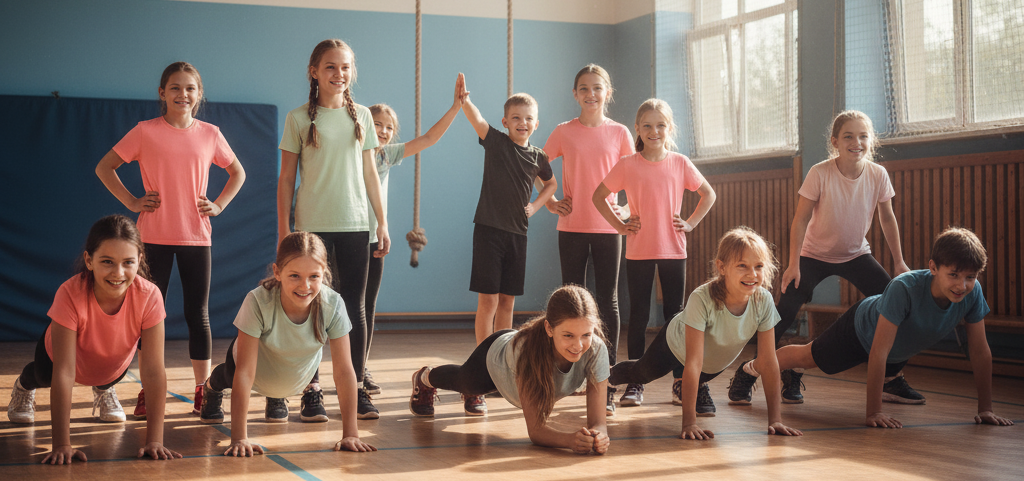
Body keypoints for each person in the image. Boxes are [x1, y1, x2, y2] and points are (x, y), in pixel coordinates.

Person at [738, 227, 1014, 428]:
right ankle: (750, 368)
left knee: (808, 361)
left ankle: (792, 371)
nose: (961, 285)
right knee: (808, 357)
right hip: (861, 331)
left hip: (898, 347)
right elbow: (878, 351)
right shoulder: (904, 289)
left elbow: (980, 351)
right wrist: (873, 412)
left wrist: (986, 409)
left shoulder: (973, 293)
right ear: (933, 267)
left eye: (970, 277)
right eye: (953, 275)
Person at [728, 110, 912, 406]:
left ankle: (891, 378)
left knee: (897, 305)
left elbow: (887, 219)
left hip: (856, 254)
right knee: (783, 312)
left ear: (871, 140)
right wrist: (793, 264)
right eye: (849, 136)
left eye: (863, 136)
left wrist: (899, 262)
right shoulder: (820, 172)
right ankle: (748, 373)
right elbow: (800, 220)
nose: (857, 142)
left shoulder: (878, 174)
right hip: (812, 256)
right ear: (835, 141)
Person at [96, 61, 247, 417]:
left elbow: (237, 172)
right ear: (162, 93)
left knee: (198, 314)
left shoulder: (210, 133)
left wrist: (220, 204)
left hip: (196, 236)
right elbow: (105, 167)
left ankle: (203, 391)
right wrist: (133, 201)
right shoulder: (145, 131)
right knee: (150, 317)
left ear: (199, 95)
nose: (183, 94)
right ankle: (150, 390)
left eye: (190, 88)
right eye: (175, 88)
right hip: (153, 238)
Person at [7, 215, 182, 464]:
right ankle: (24, 386)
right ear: (89, 260)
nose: (118, 273)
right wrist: (62, 444)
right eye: (107, 262)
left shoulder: (150, 295)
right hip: (58, 361)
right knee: (44, 375)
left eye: (128, 262)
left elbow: (153, 371)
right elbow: (65, 372)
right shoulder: (70, 293)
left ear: (140, 260)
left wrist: (155, 440)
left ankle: (103, 387)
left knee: (111, 374)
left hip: (111, 362)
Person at [278, 39, 389, 419]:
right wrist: (284, 228)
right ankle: (312, 391)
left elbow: (371, 174)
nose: (338, 74)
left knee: (354, 308)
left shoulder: (361, 117)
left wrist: (382, 223)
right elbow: (286, 180)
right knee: (313, 307)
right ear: (314, 71)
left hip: (357, 225)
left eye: (345, 67)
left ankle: (356, 390)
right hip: (312, 229)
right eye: (330, 67)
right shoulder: (298, 119)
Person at [609, 227, 802, 440]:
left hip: (711, 364)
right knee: (641, 374)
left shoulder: (763, 301)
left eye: (758, 266)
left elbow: (768, 361)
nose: (752, 274)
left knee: (700, 375)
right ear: (722, 267)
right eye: (742, 266)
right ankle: (606, 377)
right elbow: (692, 362)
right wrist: (689, 423)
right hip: (674, 345)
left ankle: (693, 387)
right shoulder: (702, 299)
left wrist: (775, 420)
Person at [198, 232, 377, 456]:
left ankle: (275, 396)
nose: (305, 285)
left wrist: (351, 433)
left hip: (294, 375)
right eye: (294, 275)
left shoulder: (333, 304)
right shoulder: (258, 301)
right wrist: (239, 438)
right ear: (277, 272)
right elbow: (244, 372)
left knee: (280, 381)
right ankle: (211, 387)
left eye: (314, 276)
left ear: (324, 274)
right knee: (229, 376)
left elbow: (343, 371)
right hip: (251, 369)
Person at [593, 99, 715, 409]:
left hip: (674, 249)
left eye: (660, 125)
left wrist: (690, 223)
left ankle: (679, 381)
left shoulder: (680, 162)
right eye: (647, 125)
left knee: (675, 317)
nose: (654, 130)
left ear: (670, 128)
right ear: (637, 129)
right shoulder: (628, 164)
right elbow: (599, 196)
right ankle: (635, 382)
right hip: (639, 250)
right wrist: (620, 226)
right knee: (639, 316)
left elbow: (708, 194)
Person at [409, 285, 611, 454]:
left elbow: (598, 423)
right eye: (568, 335)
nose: (578, 345)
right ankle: (425, 377)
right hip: (496, 357)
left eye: (586, 334)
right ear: (549, 329)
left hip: (516, 359)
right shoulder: (527, 353)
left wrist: (599, 435)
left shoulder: (596, 350)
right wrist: (569, 441)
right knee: (465, 382)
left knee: (470, 388)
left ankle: (470, 394)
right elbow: (536, 432)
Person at [361, 73, 466, 394]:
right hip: (344, 236)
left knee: (367, 305)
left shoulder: (386, 155)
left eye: (389, 127)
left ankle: (358, 367)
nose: (383, 130)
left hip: (372, 239)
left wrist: (455, 108)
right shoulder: (351, 152)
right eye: (377, 124)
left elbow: (429, 139)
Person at [459, 76, 557, 415]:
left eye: (529, 118)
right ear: (506, 122)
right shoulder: (496, 142)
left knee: (507, 302)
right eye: (516, 118)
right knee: (487, 301)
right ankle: (484, 363)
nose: (523, 123)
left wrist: (537, 205)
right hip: (488, 231)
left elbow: (551, 183)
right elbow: (477, 120)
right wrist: (464, 101)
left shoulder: (539, 156)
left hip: (518, 235)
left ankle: (502, 363)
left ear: (536, 123)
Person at [540, 64, 635, 415]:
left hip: (609, 228)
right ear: (575, 94)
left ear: (607, 93)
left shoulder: (621, 132)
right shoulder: (565, 131)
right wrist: (549, 202)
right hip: (572, 225)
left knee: (607, 299)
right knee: (570, 301)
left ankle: (604, 379)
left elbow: (634, 173)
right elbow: (538, 164)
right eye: (583, 88)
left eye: (597, 88)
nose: (590, 94)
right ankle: (563, 375)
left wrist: (625, 208)